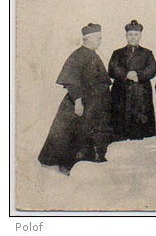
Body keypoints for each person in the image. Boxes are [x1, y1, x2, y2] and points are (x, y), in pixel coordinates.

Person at [38, 23, 113, 175]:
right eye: (98, 39)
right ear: (88, 39)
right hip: (83, 103)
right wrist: (78, 101)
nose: (100, 42)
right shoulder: (78, 55)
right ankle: (66, 166)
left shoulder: (93, 54)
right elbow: (71, 80)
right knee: (71, 135)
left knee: (89, 134)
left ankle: (86, 163)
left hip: (95, 104)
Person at [108, 20, 156, 141]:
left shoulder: (147, 53)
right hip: (121, 94)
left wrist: (138, 75)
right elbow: (112, 69)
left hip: (141, 94)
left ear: (140, 36)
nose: (133, 37)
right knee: (121, 124)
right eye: (130, 35)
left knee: (142, 126)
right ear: (126, 36)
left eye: (136, 35)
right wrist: (126, 74)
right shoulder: (117, 53)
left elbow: (152, 69)